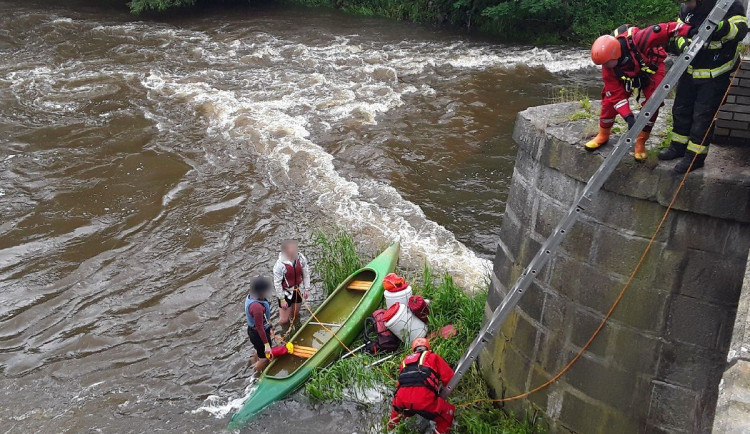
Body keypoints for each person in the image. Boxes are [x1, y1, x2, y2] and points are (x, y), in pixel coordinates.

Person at [659, 0, 748, 173]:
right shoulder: (686, 9)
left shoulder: (729, 6)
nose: (687, 5)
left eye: (689, 1)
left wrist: (720, 27)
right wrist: (682, 45)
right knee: (680, 110)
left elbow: (740, 30)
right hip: (689, 70)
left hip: (714, 74)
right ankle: (678, 147)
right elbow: (677, 33)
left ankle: (695, 158)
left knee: (703, 118)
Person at [586, 21, 692, 161]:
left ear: (614, 54)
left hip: (652, 70)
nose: (604, 66)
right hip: (628, 75)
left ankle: (641, 142)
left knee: (653, 104)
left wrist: (690, 31)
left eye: (606, 63)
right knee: (608, 101)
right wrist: (628, 116)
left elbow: (666, 29)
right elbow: (615, 94)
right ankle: (603, 135)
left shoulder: (639, 39)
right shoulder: (609, 67)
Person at [388, 338, 455, 434]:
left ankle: (388, 428)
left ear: (413, 349)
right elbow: (449, 378)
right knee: (447, 414)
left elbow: (400, 384)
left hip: (401, 400)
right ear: (427, 347)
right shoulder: (433, 357)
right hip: (423, 400)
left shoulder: (404, 362)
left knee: (396, 414)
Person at [272, 239, 310, 329]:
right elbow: (277, 284)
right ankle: (272, 329)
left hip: (297, 290)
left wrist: (307, 288)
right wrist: (282, 300)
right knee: (284, 320)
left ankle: (295, 330)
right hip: (286, 293)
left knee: (294, 315)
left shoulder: (300, 258)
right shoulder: (279, 265)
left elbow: (306, 273)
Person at [245, 277, 274, 373]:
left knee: (259, 351)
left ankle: (252, 363)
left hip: (253, 330)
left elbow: (264, 320)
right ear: (260, 291)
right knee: (265, 358)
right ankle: (256, 373)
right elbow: (259, 327)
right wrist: (266, 345)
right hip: (258, 333)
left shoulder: (252, 297)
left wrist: (270, 328)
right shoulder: (256, 307)